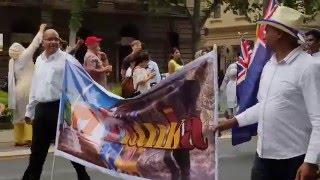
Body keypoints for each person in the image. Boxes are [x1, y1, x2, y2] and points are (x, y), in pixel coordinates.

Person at [213, 6, 320, 180]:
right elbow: (264, 106)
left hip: (294, 160)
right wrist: (232, 122)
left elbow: (318, 119)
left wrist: (311, 161)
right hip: (262, 158)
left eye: (267, 29)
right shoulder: (269, 66)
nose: (264, 34)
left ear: (279, 33)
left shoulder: (308, 67)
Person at [23, 29, 90, 180]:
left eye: (56, 39)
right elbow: (35, 86)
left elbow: (81, 82)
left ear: (59, 41)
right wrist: (30, 111)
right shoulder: (39, 60)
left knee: (71, 149)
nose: (53, 42)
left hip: (60, 109)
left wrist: (75, 105)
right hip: (41, 110)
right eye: (49, 39)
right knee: (37, 152)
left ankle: (83, 176)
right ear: (43, 42)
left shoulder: (68, 59)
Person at [8, 24, 46, 147]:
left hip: (17, 89)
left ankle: (18, 139)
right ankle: (29, 138)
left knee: (18, 114)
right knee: (29, 112)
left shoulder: (12, 62)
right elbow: (34, 44)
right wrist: (40, 30)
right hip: (28, 88)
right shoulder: (24, 56)